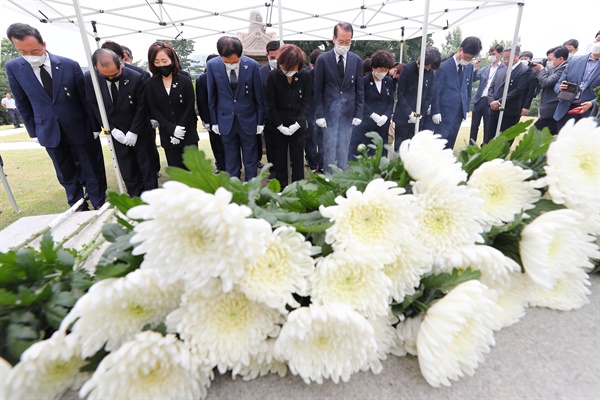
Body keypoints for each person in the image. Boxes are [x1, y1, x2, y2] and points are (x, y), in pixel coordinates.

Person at [5, 23, 106, 210]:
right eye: (23, 51)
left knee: (91, 167)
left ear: (43, 44)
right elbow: (22, 101)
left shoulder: (69, 65)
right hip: (47, 129)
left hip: (79, 127)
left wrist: (94, 126)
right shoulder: (13, 68)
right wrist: (33, 132)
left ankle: (99, 202)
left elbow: (84, 99)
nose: (30, 55)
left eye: (34, 50)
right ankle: (77, 205)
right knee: (65, 171)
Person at [85, 48, 158, 197]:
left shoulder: (136, 77)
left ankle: (152, 199)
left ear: (121, 64)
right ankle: (134, 198)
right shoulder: (90, 79)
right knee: (127, 167)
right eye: (106, 75)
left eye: (115, 74)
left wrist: (134, 131)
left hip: (139, 130)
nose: (111, 78)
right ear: (96, 69)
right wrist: (111, 129)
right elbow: (94, 105)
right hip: (116, 132)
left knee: (146, 167)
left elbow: (142, 106)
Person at [206, 36, 264, 181]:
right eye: (227, 62)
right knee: (231, 158)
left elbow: (259, 96)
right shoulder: (213, 65)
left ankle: (251, 185)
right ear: (220, 55)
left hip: (248, 119)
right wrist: (214, 121)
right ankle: (234, 186)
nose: (231, 64)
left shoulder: (252, 65)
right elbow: (211, 95)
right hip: (225, 120)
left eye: (234, 61)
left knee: (251, 158)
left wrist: (260, 121)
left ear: (240, 54)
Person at [314, 22, 364, 172]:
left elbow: (359, 89)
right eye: (341, 41)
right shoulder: (323, 60)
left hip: (348, 113)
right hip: (329, 113)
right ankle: (329, 176)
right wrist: (319, 114)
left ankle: (342, 175)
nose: (344, 45)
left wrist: (358, 113)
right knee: (329, 147)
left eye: (348, 42)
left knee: (344, 146)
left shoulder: (356, 61)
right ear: (333, 39)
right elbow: (318, 90)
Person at [144, 41, 199, 169]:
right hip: (168, 135)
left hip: (188, 133)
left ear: (172, 60)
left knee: (194, 171)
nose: (161, 65)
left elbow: (189, 106)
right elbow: (154, 109)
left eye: (164, 60)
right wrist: (172, 130)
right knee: (176, 171)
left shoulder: (184, 80)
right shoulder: (150, 84)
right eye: (157, 62)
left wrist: (180, 128)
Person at [267, 44, 312, 188]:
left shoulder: (305, 75)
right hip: (278, 125)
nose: (289, 71)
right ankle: (282, 189)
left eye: (293, 68)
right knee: (279, 159)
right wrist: (280, 125)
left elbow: (306, 102)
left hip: (298, 125)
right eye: (287, 68)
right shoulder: (273, 76)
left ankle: (298, 188)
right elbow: (271, 103)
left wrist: (298, 123)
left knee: (298, 158)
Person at [430, 36, 482, 149]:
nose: (468, 60)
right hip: (443, 114)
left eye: (471, 58)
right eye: (466, 57)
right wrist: (436, 111)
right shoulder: (443, 66)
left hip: (458, 114)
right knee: (439, 145)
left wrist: (466, 109)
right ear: (460, 49)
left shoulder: (469, 68)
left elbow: (467, 90)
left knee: (450, 144)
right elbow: (436, 91)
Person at [348, 50, 395, 160]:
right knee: (367, 152)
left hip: (382, 124)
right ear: (373, 67)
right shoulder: (363, 81)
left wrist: (386, 115)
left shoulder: (388, 81)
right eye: (381, 69)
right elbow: (360, 101)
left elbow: (391, 101)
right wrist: (373, 115)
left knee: (380, 152)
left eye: (386, 70)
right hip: (367, 124)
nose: (383, 72)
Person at [393, 47, 440, 151]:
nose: (427, 69)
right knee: (400, 147)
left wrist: (420, 114)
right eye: (426, 66)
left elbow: (429, 95)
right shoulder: (407, 69)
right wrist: (409, 113)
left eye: (430, 67)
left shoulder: (430, 73)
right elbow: (401, 94)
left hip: (419, 117)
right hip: (403, 115)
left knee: (414, 147)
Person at [488, 46, 535, 136]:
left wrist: (499, 102)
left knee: (504, 138)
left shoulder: (525, 71)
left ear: (517, 55)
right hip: (494, 109)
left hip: (510, 111)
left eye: (508, 58)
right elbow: (491, 87)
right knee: (489, 138)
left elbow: (519, 90)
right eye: (504, 58)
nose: (506, 61)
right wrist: (492, 101)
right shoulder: (501, 70)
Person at [553, 42, 600, 130]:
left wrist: (592, 103)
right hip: (566, 109)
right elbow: (558, 84)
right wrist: (560, 88)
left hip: (589, 113)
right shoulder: (574, 61)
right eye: (597, 39)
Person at [196, 54, 226, 173]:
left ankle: (230, 165)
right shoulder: (202, 79)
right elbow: (201, 101)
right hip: (212, 117)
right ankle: (219, 164)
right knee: (216, 143)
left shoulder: (224, 75)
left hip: (226, 115)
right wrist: (206, 120)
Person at [470, 44, 505, 144]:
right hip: (479, 100)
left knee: (488, 127)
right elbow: (473, 79)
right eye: (490, 54)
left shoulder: (504, 69)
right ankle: (471, 146)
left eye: (493, 54)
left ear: (500, 54)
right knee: (474, 126)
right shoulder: (484, 69)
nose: (491, 56)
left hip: (491, 102)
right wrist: (475, 67)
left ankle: (485, 147)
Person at [531, 46, 568, 135]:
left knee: (534, 134)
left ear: (560, 59)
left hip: (553, 110)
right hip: (548, 109)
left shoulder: (564, 68)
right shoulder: (555, 69)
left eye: (550, 59)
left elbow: (546, 83)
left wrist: (541, 69)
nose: (549, 62)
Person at [260, 40, 281, 173]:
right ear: (267, 55)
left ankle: (284, 169)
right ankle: (273, 171)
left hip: (285, 115)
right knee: (271, 146)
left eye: (278, 57)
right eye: (273, 58)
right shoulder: (260, 72)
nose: (276, 60)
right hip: (268, 117)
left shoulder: (288, 70)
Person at [305, 48, 324, 173]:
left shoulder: (328, 74)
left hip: (324, 112)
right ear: (312, 64)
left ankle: (322, 163)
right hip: (310, 111)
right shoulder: (307, 75)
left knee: (323, 139)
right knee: (310, 139)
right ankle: (312, 164)